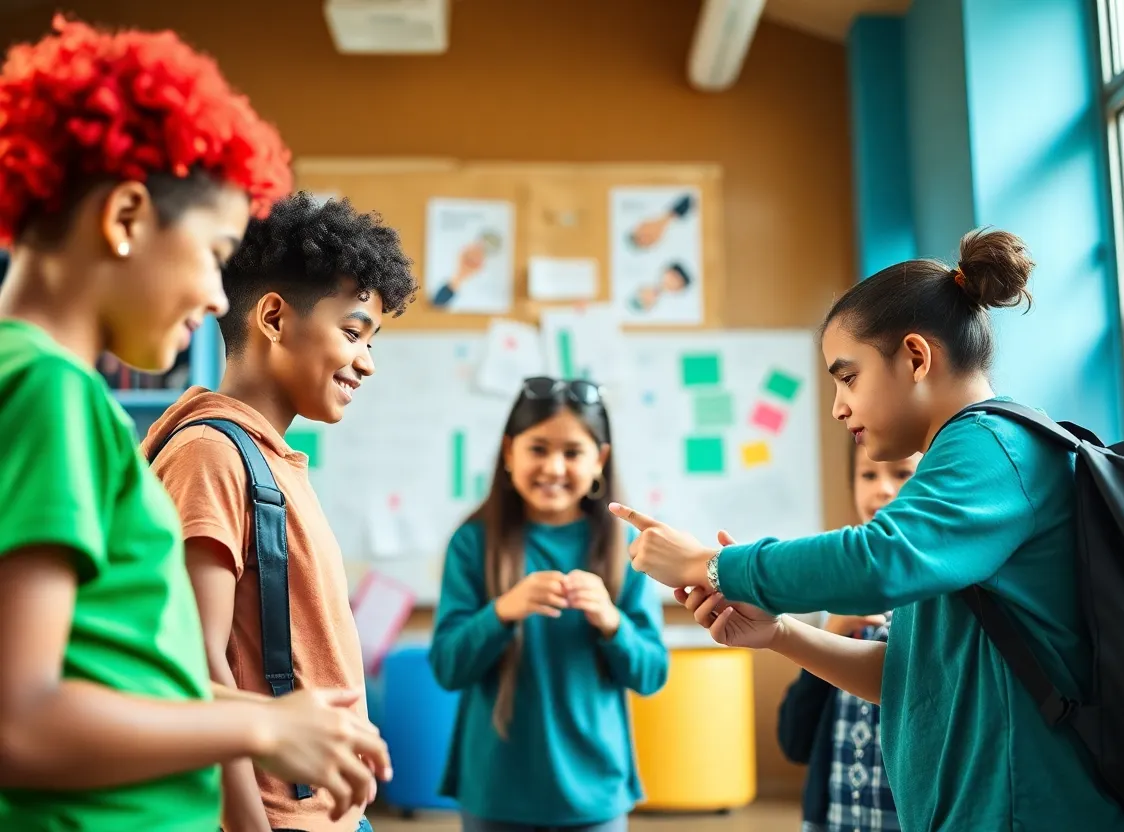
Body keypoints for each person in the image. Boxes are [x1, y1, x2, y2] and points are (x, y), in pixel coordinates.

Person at [608, 228, 1124, 831]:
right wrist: (779, 634)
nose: (838, 406)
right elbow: (914, 679)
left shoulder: (992, 447)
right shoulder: (964, 465)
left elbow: (876, 563)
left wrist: (712, 565)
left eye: (848, 377)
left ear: (916, 357)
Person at [0, 16, 389, 832]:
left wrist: (291, 726)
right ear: (127, 217)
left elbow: (125, 671)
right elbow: (19, 720)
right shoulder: (48, 392)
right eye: (214, 253)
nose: (220, 296)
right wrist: (258, 722)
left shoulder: (48, 389)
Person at [143, 191, 415, 832]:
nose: (367, 362)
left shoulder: (270, 459)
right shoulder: (210, 454)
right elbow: (197, 669)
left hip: (328, 817)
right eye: (353, 331)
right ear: (272, 317)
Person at [429, 377, 669, 832]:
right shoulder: (472, 542)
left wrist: (611, 621)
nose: (553, 467)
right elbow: (447, 666)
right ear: (508, 453)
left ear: (599, 460)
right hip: (495, 790)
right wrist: (502, 611)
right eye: (537, 448)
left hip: (594, 794)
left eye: (573, 453)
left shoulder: (627, 545)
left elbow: (652, 674)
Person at [777, 442, 918, 832]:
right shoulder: (838, 598)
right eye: (868, 475)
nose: (882, 490)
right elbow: (794, 741)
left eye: (902, 473)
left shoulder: (939, 600)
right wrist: (829, 633)